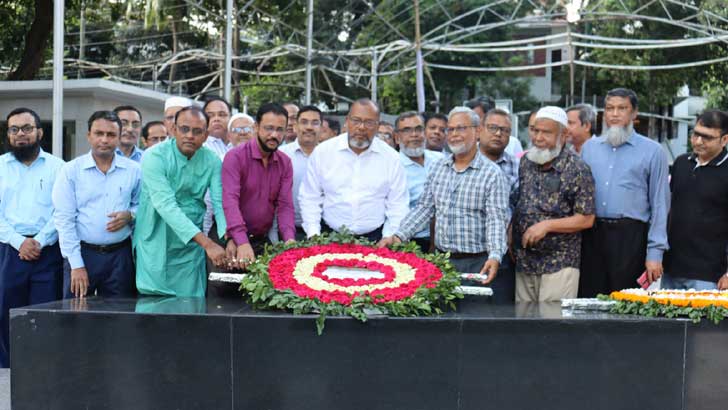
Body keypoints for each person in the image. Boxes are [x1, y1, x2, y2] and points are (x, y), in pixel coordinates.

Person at [378, 106, 508, 286]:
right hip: (442, 262)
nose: (454, 134)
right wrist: (399, 236)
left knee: (475, 312)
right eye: (451, 129)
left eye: (461, 128)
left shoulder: (492, 174)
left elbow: (496, 220)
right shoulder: (439, 167)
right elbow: (424, 208)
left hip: (478, 263)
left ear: (477, 131)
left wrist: (495, 256)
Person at [135, 107, 234, 297]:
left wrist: (229, 238)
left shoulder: (212, 160)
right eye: (184, 129)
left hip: (190, 246)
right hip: (156, 237)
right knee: (155, 304)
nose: (190, 136)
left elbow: (220, 202)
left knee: (191, 303)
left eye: (197, 131)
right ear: (173, 130)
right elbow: (166, 206)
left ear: (206, 135)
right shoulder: (155, 157)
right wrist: (208, 244)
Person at [580, 88, 670, 296]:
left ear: (634, 113)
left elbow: (660, 204)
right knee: (589, 302)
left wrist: (655, 253)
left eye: (622, 108)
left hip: (631, 239)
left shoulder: (653, 151)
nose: (614, 114)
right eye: (610, 108)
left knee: (627, 305)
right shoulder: (589, 148)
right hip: (592, 236)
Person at [0, 108, 65, 368]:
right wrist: (19, 242)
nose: (20, 134)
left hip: (47, 250)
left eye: (27, 128)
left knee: (44, 310)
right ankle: (7, 368)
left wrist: (38, 240)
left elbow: (63, 211)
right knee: (6, 310)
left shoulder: (59, 167)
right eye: (14, 129)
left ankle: (42, 367)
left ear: (39, 132)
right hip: (8, 250)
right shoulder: (0, 167)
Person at [52, 111, 141, 299]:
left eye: (111, 135)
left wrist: (131, 215)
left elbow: (143, 206)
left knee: (120, 316)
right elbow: (64, 220)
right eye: (99, 133)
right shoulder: (71, 171)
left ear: (118, 138)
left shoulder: (134, 170)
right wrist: (76, 265)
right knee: (75, 316)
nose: (104, 139)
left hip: (120, 255)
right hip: (83, 253)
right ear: (88, 136)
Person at [512, 106, 595, 302]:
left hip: (559, 263)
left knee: (552, 325)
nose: (538, 137)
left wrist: (546, 226)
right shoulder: (526, 162)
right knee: (523, 323)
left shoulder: (577, 168)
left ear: (564, 134)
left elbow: (587, 218)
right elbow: (521, 201)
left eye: (546, 132)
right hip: (525, 262)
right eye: (535, 130)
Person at [299, 98, 409, 241]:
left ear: (377, 126)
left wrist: (389, 236)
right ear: (347, 121)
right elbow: (310, 197)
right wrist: (314, 235)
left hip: (376, 238)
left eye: (369, 122)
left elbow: (398, 204)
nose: (361, 127)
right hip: (328, 236)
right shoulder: (323, 153)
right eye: (356, 120)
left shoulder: (391, 158)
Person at [222, 103, 295, 270]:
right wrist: (240, 241)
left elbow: (285, 206)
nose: (274, 135)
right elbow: (230, 201)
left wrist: (289, 239)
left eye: (280, 129)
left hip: (261, 240)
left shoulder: (284, 163)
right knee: (226, 291)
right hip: (232, 238)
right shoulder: (235, 157)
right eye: (269, 128)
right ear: (256, 127)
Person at [663, 110, 728, 290]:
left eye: (707, 137)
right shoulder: (681, 163)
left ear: (724, 140)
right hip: (671, 269)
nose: (698, 141)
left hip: (710, 275)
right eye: (696, 134)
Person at [478, 108, 520, 303]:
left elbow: (518, 206)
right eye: (493, 128)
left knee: (500, 310)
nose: (498, 134)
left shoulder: (517, 166)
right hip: (469, 251)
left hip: (502, 251)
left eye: (504, 130)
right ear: (479, 130)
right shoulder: (464, 161)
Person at [393, 111, 442, 252]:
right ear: (397, 137)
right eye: (407, 130)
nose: (414, 134)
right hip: (410, 241)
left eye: (418, 129)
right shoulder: (393, 167)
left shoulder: (441, 160)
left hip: (444, 241)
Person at [279, 105, 323, 240]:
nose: (309, 127)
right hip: (288, 232)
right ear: (295, 126)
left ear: (321, 127)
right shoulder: (281, 155)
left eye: (315, 123)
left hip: (322, 230)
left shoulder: (330, 156)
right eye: (304, 122)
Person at [202, 96, 232, 236]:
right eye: (210, 115)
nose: (216, 119)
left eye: (222, 115)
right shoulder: (201, 147)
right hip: (208, 219)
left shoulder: (238, 145)